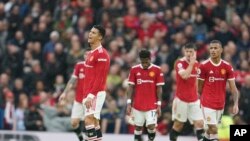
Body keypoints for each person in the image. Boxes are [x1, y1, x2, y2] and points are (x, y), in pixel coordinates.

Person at [197, 40, 239, 141]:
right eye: (211, 48)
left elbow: (233, 88)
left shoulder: (227, 66)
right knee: (214, 129)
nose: (213, 50)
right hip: (207, 103)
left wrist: (236, 103)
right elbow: (199, 88)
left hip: (220, 103)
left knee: (209, 131)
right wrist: (201, 101)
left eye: (215, 48)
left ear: (221, 50)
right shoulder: (203, 66)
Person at [126, 50, 165, 141]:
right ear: (140, 60)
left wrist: (159, 105)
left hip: (152, 105)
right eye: (142, 62)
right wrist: (128, 103)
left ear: (150, 59)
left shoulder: (157, 69)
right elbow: (130, 87)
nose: (144, 64)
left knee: (151, 126)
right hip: (137, 105)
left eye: (146, 62)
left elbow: (159, 88)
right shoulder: (134, 69)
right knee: (138, 128)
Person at [170, 43, 204, 141]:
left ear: (195, 52)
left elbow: (197, 80)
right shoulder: (179, 63)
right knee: (178, 125)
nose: (188, 54)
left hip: (194, 99)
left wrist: (199, 93)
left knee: (200, 123)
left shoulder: (198, 64)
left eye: (191, 52)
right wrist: (191, 64)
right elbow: (184, 76)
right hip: (181, 99)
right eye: (187, 51)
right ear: (184, 52)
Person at [82, 25, 110, 141]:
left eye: (93, 33)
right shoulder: (91, 53)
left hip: (95, 93)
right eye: (90, 32)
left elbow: (100, 78)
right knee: (94, 121)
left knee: (88, 119)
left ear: (100, 37)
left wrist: (90, 95)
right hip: (89, 92)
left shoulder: (102, 54)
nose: (90, 34)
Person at [59, 58, 87, 141]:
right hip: (78, 100)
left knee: (89, 123)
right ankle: (81, 138)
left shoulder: (96, 66)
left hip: (90, 100)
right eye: (86, 54)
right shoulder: (79, 65)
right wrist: (65, 92)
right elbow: (72, 80)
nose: (88, 56)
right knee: (74, 123)